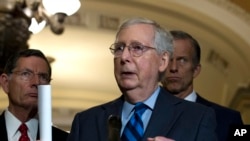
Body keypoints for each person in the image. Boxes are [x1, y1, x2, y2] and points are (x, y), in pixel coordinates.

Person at [67, 17, 218, 141]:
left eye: (137, 48)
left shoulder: (198, 118)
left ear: (163, 61)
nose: (124, 57)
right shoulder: (86, 122)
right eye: (119, 48)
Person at [161, 30, 244, 141]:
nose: (174, 68)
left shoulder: (229, 119)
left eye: (182, 60)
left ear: (196, 70)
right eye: (168, 60)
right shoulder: (139, 113)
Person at [0, 49, 69, 141]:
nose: (36, 82)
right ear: (6, 83)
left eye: (43, 77)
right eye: (26, 74)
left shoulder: (66, 139)